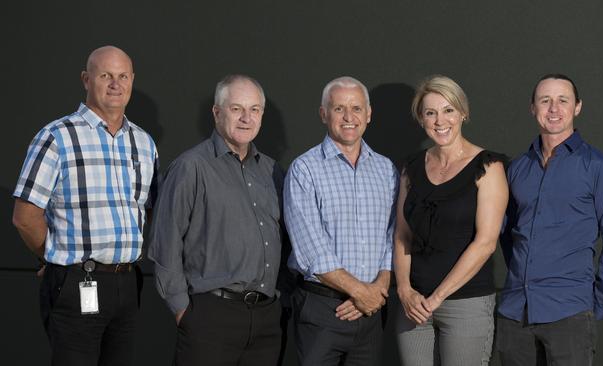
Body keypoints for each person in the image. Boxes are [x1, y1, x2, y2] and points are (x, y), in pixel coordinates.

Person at [12, 45, 158, 366]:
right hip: (77, 281)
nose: (115, 84)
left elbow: (145, 209)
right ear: (86, 79)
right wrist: (51, 257)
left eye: (123, 76)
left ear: (132, 80)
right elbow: (25, 217)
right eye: (105, 75)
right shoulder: (56, 137)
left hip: (127, 282)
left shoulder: (144, 142)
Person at [148, 74, 286, 366]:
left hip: (265, 320)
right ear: (217, 112)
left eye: (254, 110)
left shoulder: (273, 172)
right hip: (210, 316)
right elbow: (165, 242)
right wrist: (183, 311)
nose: (246, 118)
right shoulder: (191, 167)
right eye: (236, 108)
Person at [497, 74, 603, 365]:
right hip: (514, 313)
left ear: (578, 107)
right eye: (545, 101)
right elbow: (506, 234)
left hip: (569, 313)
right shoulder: (518, 169)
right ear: (532, 108)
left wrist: (597, 302)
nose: (553, 108)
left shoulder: (600, 167)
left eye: (562, 100)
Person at [393, 75, 508, 365]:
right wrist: (405, 291)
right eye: (430, 112)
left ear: (463, 113)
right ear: (421, 118)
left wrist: (437, 298)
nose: (440, 120)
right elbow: (402, 235)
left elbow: (485, 243)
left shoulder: (489, 166)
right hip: (413, 305)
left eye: (448, 110)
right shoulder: (411, 167)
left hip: (465, 304)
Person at [283, 76, 399, 366]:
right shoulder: (304, 169)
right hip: (322, 310)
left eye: (357, 108)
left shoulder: (386, 170)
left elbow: (393, 235)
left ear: (369, 114)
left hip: (372, 313)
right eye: (339, 109)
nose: (349, 117)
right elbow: (311, 249)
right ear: (324, 114)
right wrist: (362, 293)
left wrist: (377, 291)